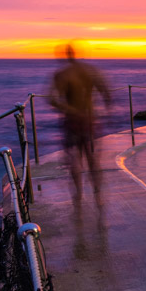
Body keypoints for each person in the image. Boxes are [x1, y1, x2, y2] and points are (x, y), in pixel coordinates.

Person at [49, 43, 113, 205]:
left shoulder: (63, 74)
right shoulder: (91, 71)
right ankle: (97, 192)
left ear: (64, 55)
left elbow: (52, 98)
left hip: (72, 120)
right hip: (90, 119)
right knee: (92, 158)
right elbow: (106, 92)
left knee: (73, 158)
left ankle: (78, 194)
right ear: (77, 53)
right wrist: (107, 112)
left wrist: (69, 109)